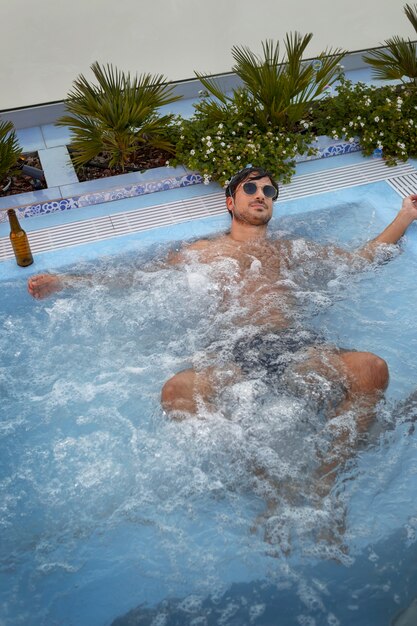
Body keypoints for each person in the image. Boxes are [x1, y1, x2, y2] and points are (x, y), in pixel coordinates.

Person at [27, 167, 417, 438]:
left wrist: (404, 216)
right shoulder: (203, 251)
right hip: (232, 351)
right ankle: (266, 481)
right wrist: (68, 281)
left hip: (294, 344)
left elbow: (358, 260)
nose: (261, 195)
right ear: (230, 202)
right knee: (176, 391)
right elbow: (135, 280)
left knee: (371, 368)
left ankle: (325, 478)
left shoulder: (293, 249)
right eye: (250, 188)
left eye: (268, 191)